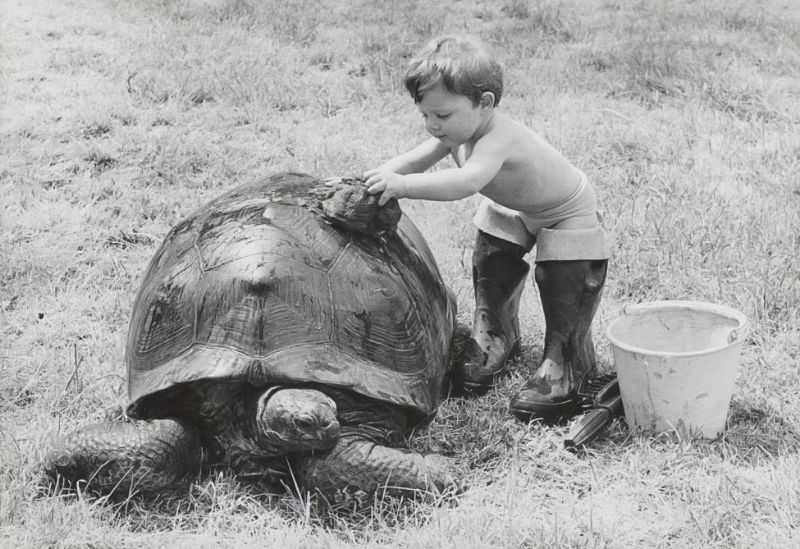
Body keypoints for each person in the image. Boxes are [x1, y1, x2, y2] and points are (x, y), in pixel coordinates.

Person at [364, 35, 611, 422]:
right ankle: (496, 333)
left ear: (485, 103)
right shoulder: (457, 130)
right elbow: (416, 159)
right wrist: (383, 175)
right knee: (493, 253)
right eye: (425, 115)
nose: (432, 126)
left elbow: (465, 184)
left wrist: (402, 188)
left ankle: (566, 361)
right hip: (518, 207)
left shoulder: (498, 137)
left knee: (564, 276)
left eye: (442, 116)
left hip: (566, 210)